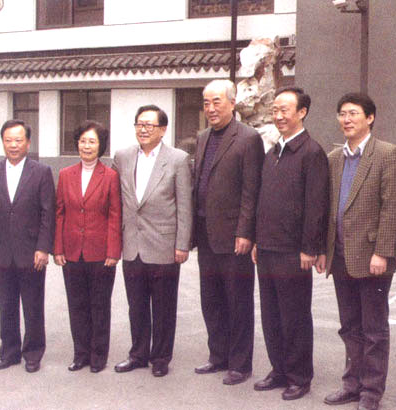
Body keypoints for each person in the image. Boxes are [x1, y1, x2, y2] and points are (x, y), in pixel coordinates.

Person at [317, 93, 396, 410]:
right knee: (349, 326)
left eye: (353, 113)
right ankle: (351, 384)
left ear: (370, 117)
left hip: (372, 257)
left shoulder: (387, 154)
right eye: (342, 113)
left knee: (374, 329)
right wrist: (324, 249)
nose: (346, 119)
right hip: (340, 254)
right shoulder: (334, 158)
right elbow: (328, 208)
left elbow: (392, 207)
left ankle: (371, 391)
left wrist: (383, 252)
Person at [252, 87, 328, 400]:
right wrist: (257, 240)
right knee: (271, 313)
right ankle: (279, 369)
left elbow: (316, 205)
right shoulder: (273, 152)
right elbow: (263, 201)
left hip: (294, 251)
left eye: (285, 110)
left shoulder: (311, 152)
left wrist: (310, 248)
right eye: (275, 110)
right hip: (267, 247)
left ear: (302, 112)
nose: (279, 116)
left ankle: (299, 375)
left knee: (294, 315)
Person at [192, 79, 264, 385]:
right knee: (211, 300)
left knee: (238, 301)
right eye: (206, 102)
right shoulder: (202, 137)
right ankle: (218, 355)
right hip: (206, 233)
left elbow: (251, 189)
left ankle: (240, 363)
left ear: (232, 103)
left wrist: (246, 232)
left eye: (217, 102)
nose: (210, 108)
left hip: (235, 236)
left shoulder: (248, 138)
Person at [112, 105, 192, 377]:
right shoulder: (123, 156)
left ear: (163, 129)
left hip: (164, 245)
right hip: (132, 244)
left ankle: (161, 357)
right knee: (136, 306)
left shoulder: (178, 159)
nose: (143, 129)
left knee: (163, 307)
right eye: (139, 124)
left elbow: (185, 205)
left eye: (149, 125)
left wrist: (182, 244)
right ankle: (138, 354)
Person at [0, 119, 55, 373]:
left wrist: (43, 248)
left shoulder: (41, 172)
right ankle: (9, 352)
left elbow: (48, 214)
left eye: (18, 140)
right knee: (6, 306)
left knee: (33, 307)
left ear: (28, 143)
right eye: (8, 140)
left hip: (32, 252)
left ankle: (33, 353)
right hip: (1, 252)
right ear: (2, 142)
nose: (13, 145)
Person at [54, 120, 121, 373]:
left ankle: (98, 356)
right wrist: (58, 248)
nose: (87, 146)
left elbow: (115, 215)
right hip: (72, 251)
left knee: (99, 306)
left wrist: (113, 251)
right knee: (77, 305)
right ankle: (80, 354)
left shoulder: (110, 176)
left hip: (100, 252)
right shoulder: (65, 174)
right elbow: (60, 212)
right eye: (83, 141)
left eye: (92, 141)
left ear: (100, 146)